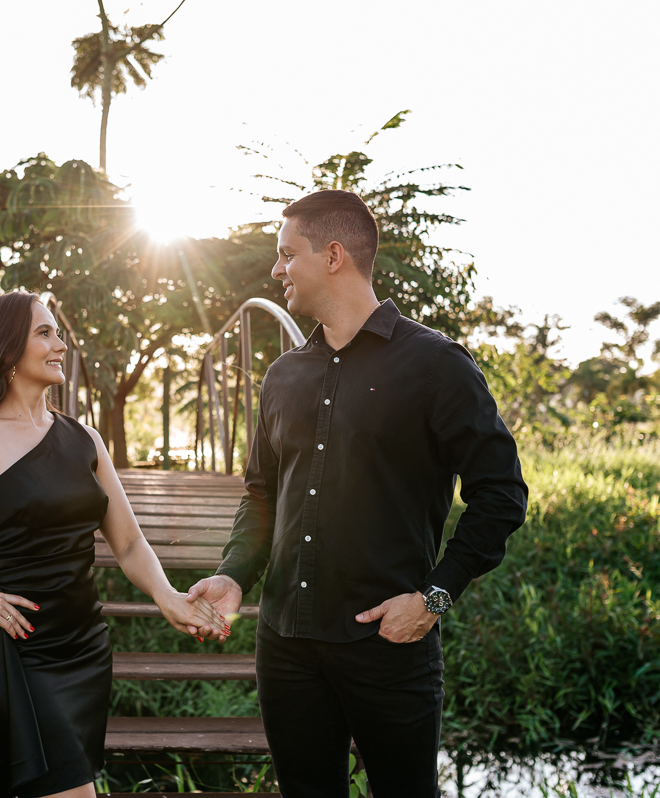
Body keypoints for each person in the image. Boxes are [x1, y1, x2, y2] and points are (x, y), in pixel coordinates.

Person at [186, 190, 528, 797]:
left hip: (388, 643)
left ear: (334, 255)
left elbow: (501, 494)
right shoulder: (283, 374)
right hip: (285, 645)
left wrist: (435, 596)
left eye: (287, 254)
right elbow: (261, 493)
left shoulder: (437, 365)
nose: (276, 270)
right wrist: (235, 573)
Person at [0, 291, 228, 798]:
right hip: (18, 653)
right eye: (44, 333)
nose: (60, 345)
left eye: (57, 332)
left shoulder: (85, 439)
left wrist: (167, 596)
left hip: (84, 649)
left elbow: (128, 543)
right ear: (6, 348)